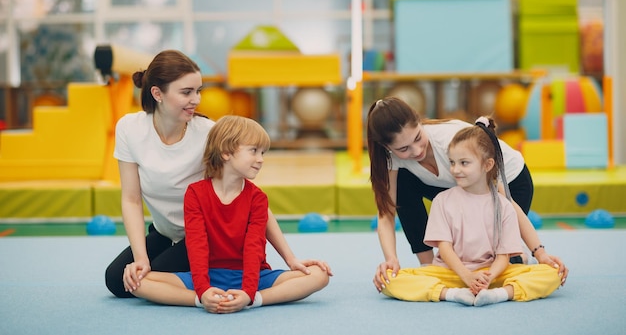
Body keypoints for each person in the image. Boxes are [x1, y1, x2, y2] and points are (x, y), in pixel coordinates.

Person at [105, 49, 331, 298]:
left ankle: (203, 294)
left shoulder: (207, 133)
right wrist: (140, 258)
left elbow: (248, 196)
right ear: (157, 93)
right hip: (164, 232)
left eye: (198, 91)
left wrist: (290, 257)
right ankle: (196, 290)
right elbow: (131, 199)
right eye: (186, 92)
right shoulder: (130, 129)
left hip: (205, 236)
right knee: (118, 279)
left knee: (142, 281)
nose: (196, 99)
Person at [130, 115, 331, 313]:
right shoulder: (195, 193)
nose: (260, 160)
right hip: (207, 275)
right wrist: (203, 292)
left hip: (254, 276)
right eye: (253, 151)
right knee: (136, 281)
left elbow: (254, 248)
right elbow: (196, 245)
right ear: (226, 152)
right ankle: (201, 301)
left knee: (319, 274)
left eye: (263, 153)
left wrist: (249, 294)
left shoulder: (257, 198)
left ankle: (258, 300)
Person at [366, 97, 568, 292]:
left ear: (420, 122)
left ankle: (519, 256)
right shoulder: (390, 159)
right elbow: (386, 212)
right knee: (402, 183)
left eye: (418, 137)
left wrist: (540, 252)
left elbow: (507, 203)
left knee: (490, 258)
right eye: (403, 149)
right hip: (455, 184)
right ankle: (428, 265)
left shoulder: (450, 142)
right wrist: (391, 259)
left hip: (510, 184)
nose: (417, 150)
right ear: (387, 148)